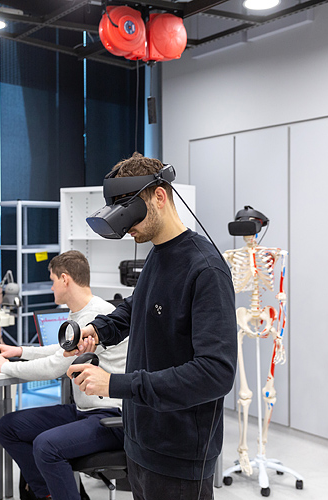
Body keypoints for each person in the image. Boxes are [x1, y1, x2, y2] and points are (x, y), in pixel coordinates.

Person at [66, 153, 237, 500]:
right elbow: (139, 305)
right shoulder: (158, 253)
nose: (127, 227)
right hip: (141, 443)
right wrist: (101, 330)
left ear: (159, 196)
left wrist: (115, 384)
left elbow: (215, 374)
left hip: (179, 457)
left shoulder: (206, 270)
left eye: (130, 212)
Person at [0, 250, 127, 500]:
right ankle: (49, 494)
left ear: (64, 279)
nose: (51, 288)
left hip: (110, 417)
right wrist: (20, 351)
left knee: (46, 446)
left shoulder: (97, 316)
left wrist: (4, 366)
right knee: (9, 427)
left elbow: (54, 366)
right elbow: (62, 351)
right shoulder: (80, 312)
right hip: (84, 411)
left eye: (52, 281)